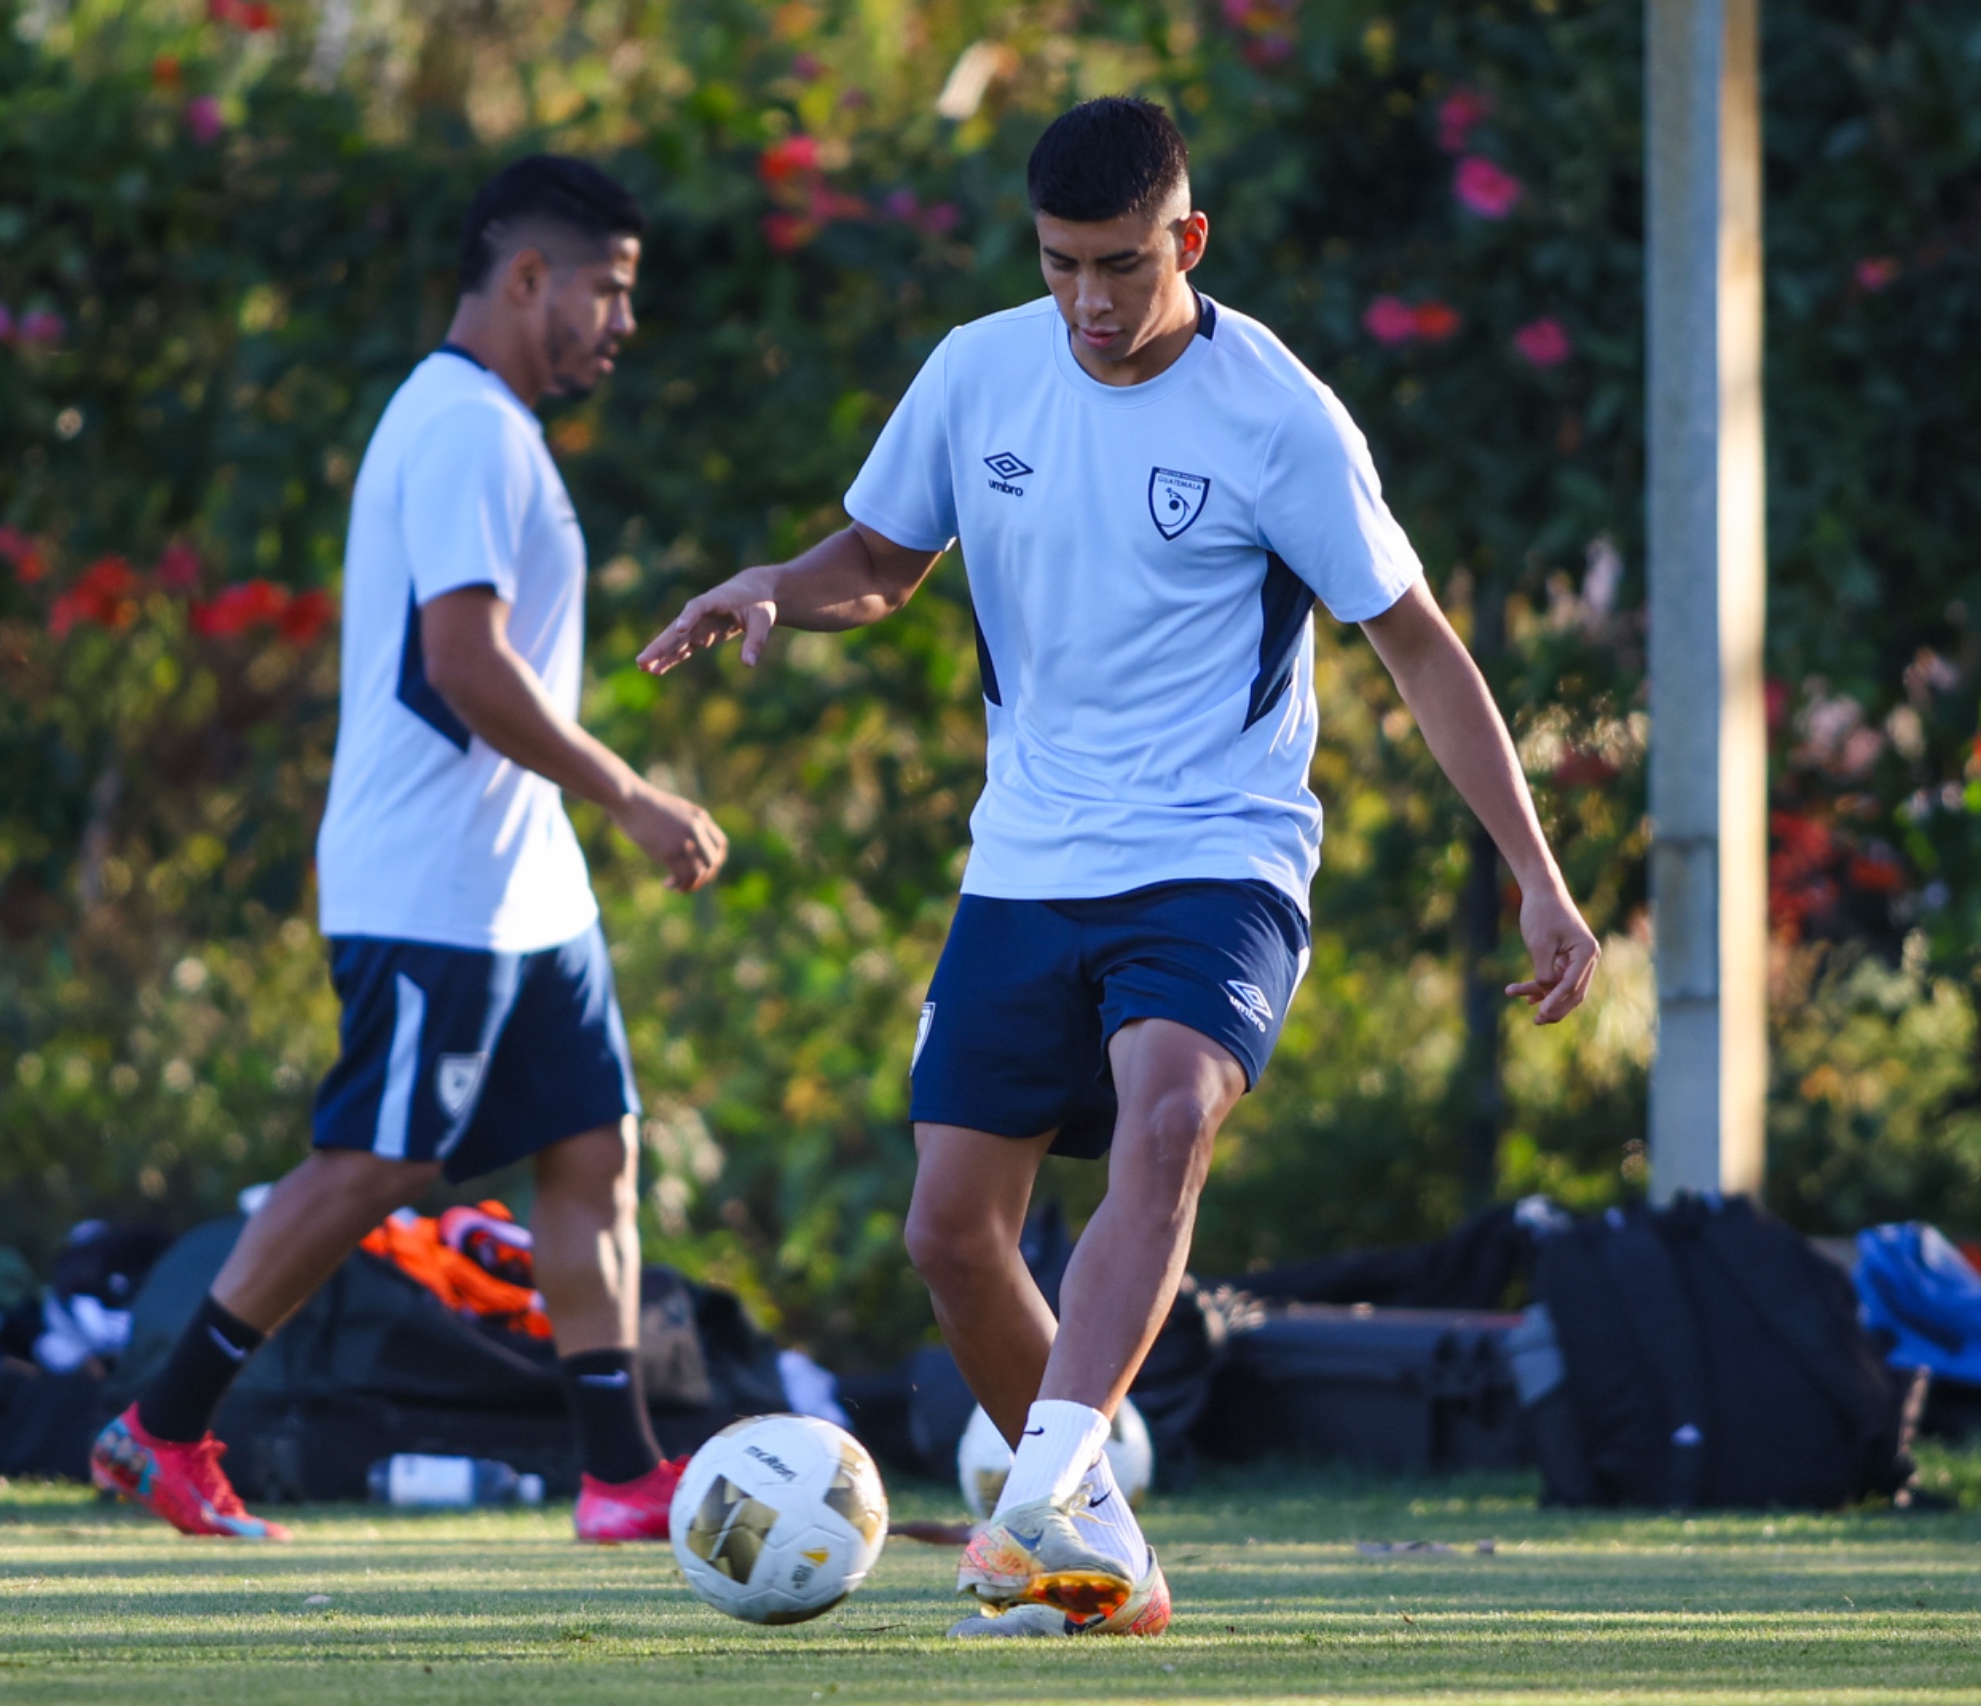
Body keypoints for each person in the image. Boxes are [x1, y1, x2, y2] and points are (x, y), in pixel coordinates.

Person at [638, 98, 1598, 1635]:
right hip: (1026, 857)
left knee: (1165, 1116)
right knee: (949, 1232)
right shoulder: (978, 370)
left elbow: (1416, 645)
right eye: (1062, 263)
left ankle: (1044, 1495)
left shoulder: (1278, 414)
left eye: (1122, 265)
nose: (1089, 299)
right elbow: (878, 565)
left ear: (1188, 241)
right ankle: (1105, 1549)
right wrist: (771, 586)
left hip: (1219, 853)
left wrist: (1538, 873)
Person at [93, 155, 729, 1544]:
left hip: (527, 890)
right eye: (606, 291)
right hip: (432, 886)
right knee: (375, 1164)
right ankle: (161, 1427)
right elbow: (462, 662)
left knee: (592, 1153)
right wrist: (626, 790)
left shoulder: (498, 428)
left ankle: (621, 1475)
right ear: (524, 280)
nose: (621, 321)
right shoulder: (462, 428)